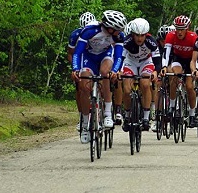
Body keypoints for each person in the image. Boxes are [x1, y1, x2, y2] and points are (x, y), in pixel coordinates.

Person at [72, 10, 127, 144]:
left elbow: (118, 56)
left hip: (105, 55)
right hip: (89, 57)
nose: (120, 32)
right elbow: (77, 53)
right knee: (84, 86)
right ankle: (85, 124)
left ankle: (108, 114)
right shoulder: (89, 31)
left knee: (105, 74)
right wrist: (75, 69)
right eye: (117, 29)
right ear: (109, 27)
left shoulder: (119, 36)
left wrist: (115, 70)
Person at [120, 18, 160, 132]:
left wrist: (155, 71)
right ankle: (127, 115)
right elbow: (121, 57)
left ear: (146, 35)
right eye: (137, 35)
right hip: (130, 62)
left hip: (145, 62)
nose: (139, 38)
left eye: (142, 35)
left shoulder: (151, 41)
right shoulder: (127, 41)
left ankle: (146, 117)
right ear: (132, 34)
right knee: (127, 89)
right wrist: (119, 70)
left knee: (145, 84)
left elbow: (157, 59)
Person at [161, 15, 198, 128]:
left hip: (190, 61)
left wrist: (195, 70)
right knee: (174, 76)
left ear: (187, 28)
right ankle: (172, 106)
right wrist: (163, 66)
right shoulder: (170, 36)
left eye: (182, 29)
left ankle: (192, 115)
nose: (179, 32)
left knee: (189, 86)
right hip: (178, 59)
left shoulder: (193, 37)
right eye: (177, 28)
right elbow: (166, 53)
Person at [67, 12, 97, 131]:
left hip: (95, 58)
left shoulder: (98, 33)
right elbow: (71, 53)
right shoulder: (75, 35)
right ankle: (82, 116)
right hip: (81, 59)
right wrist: (76, 68)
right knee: (80, 87)